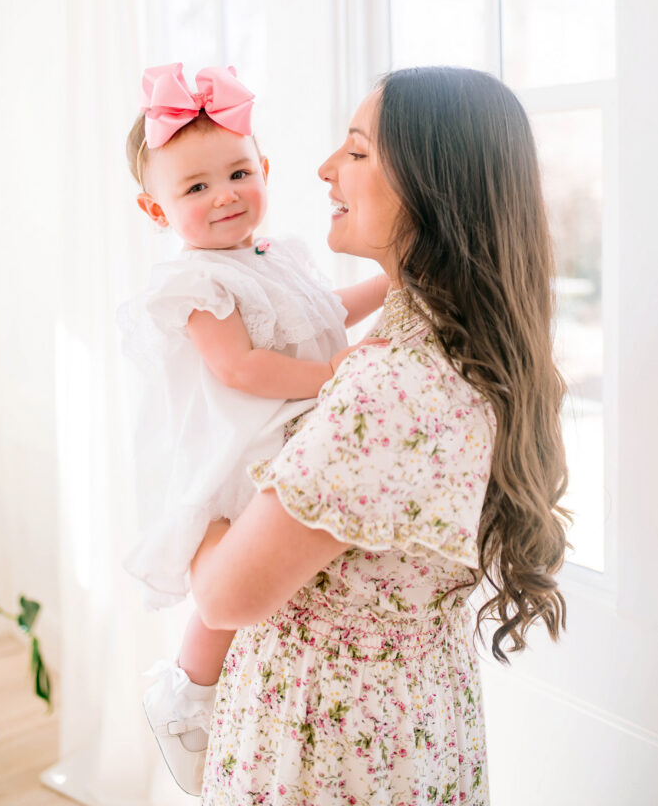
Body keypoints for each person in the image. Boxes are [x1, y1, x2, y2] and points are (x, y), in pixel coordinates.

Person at [190, 66, 570, 805]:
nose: (325, 168)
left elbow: (224, 597)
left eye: (357, 153)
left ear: (433, 188)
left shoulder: (388, 386)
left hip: (320, 743)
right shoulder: (472, 345)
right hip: (415, 722)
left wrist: (192, 500)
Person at [118, 63, 388, 795]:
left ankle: (222, 691)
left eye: (237, 173)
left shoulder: (281, 258)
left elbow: (326, 313)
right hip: (242, 442)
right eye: (195, 188)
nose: (224, 196)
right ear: (155, 210)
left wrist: (392, 282)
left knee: (265, 587)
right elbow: (239, 368)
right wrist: (341, 375)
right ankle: (184, 693)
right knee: (224, 581)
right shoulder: (198, 282)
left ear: (263, 168)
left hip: (295, 428)